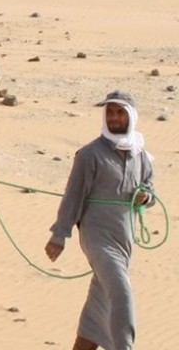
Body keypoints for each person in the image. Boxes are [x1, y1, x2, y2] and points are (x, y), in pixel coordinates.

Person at [45, 90, 156, 350]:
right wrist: (59, 235)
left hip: (124, 239)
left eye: (119, 112)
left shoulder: (140, 155)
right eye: (109, 112)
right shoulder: (89, 155)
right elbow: (73, 196)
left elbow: (150, 192)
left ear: (131, 116)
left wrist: (145, 198)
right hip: (97, 238)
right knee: (121, 292)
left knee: (100, 302)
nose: (114, 118)